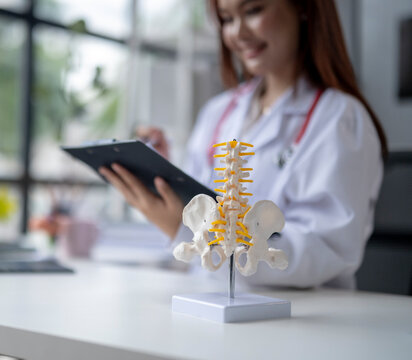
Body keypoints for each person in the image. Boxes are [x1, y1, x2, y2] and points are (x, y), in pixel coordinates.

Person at [99, 0, 387, 289]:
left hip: (297, 317)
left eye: (253, 11)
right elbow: (197, 208)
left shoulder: (340, 119)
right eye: (226, 19)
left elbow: (324, 250)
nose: (237, 33)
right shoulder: (217, 112)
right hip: (206, 301)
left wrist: (191, 234)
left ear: (303, 7)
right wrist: (163, 175)